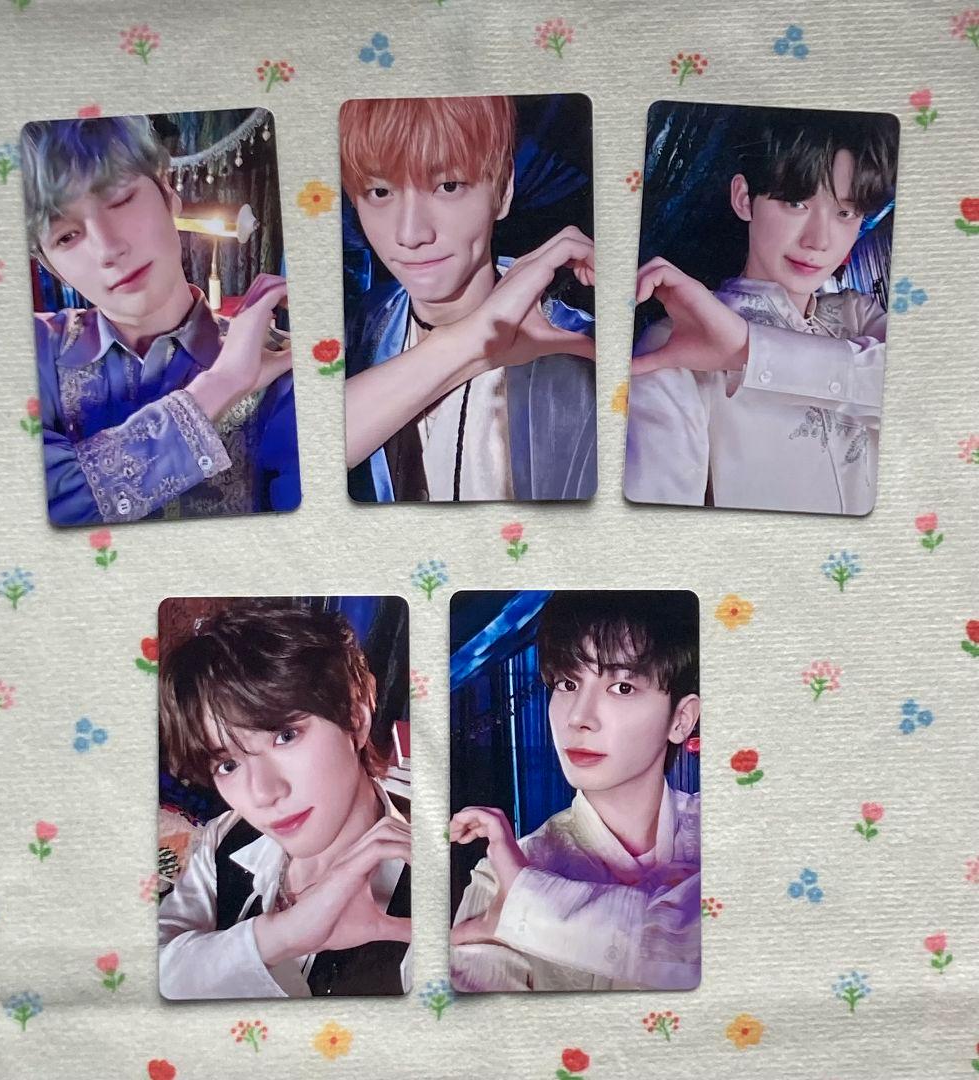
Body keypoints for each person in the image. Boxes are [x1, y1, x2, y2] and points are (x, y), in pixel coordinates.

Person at [21, 115, 300, 526]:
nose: (108, 249)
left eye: (120, 199)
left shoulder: (277, 360)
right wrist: (221, 385)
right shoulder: (31, 351)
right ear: (50, 265)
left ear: (167, 192)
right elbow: (33, 509)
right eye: (66, 236)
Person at [624, 108, 898, 515]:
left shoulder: (857, 316)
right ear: (743, 198)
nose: (819, 241)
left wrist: (748, 349)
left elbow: (932, 391)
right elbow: (658, 527)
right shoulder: (675, 345)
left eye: (845, 213)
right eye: (795, 202)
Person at [340, 94, 597, 503]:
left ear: (503, 189)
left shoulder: (581, 355)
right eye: (380, 191)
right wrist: (467, 342)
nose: (410, 234)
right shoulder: (357, 330)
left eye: (448, 186)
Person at [449, 591, 701, 993]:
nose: (579, 717)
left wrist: (531, 901)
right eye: (567, 683)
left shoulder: (726, 835)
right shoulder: (503, 874)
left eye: (622, 687)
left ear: (681, 719)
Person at [157, 601, 411, 999]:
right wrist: (281, 937)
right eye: (227, 764)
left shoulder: (450, 887)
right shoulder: (225, 839)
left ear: (356, 717)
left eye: (285, 736)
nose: (262, 793)